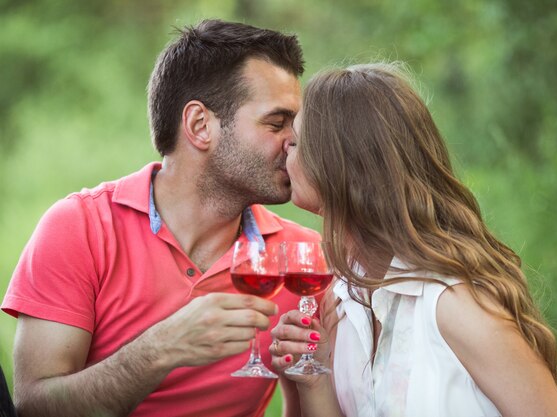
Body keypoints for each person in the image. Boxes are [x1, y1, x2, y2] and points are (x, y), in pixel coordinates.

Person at [1, 19, 319, 417]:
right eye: (277, 122)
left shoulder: (304, 257)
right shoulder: (79, 227)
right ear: (200, 126)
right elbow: (33, 406)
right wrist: (161, 349)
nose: (295, 140)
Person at [269, 63, 557, 417]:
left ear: (339, 165)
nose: (284, 151)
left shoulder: (452, 303)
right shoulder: (340, 299)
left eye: (296, 142)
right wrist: (314, 379)